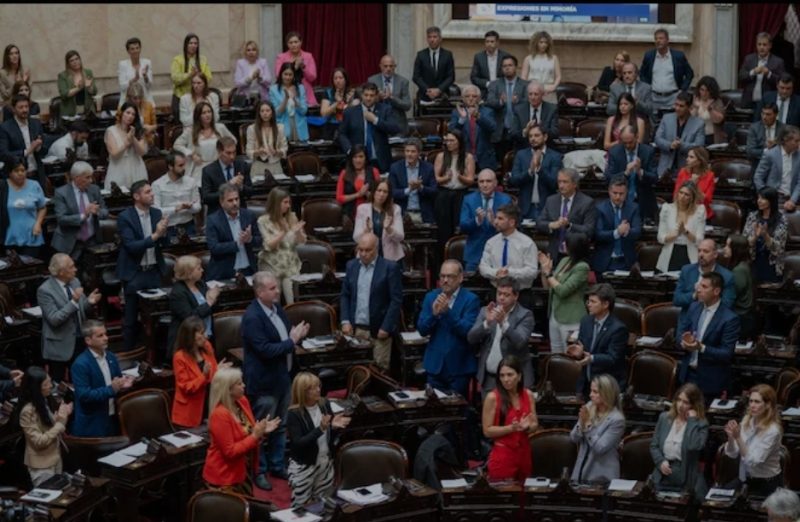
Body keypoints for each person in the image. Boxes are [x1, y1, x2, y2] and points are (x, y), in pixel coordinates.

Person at [241, 271, 310, 491]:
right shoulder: (252, 317)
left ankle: (277, 465)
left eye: (277, 287)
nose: (278, 291)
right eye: (272, 288)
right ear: (259, 292)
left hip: (282, 378)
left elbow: (286, 336)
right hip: (264, 383)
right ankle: (259, 470)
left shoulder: (277, 309)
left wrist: (295, 334)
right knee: (261, 429)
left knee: (280, 426)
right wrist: (292, 341)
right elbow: (265, 350)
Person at [203, 366, 280, 494]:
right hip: (224, 477)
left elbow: (249, 432)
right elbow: (230, 452)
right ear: (228, 389)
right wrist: (255, 435)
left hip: (243, 470)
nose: (244, 385)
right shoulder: (219, 414)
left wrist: (262, 431)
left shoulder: (242, 402)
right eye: (239, 383)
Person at [116, 180, 169, 350]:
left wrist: (164, 233)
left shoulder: (157, 213)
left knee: (158, 315)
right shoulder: (125, 217)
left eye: (151, 191)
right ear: (136, 196)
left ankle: (156, 353)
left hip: (154, 271)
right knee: (131, 318)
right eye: (147, 192)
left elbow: (165, 244)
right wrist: (156, 235)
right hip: (134, 273)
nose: (152, 194)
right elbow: (131, 246)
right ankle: (129, 353)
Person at [286, 372, 351, 508]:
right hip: (304, 466)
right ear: (302, 391)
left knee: (323, 504)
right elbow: (298, 443)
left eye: (318, 386)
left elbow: (329, 433)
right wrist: (320, 429)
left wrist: (333, 427)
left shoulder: (324, 403)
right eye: (312, 388)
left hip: (324, 463)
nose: (318, 390)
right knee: (300, 507)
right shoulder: (294, 413)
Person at [418, 260, 481, 397]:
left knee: (457, 408)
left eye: (450, 276)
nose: (445, 280)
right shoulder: (431, 297)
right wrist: (434, 315)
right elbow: (422, 330)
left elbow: (467, 331)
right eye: (442, 276)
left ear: (460, 278)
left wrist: (448, 312)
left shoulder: (471, 300)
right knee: (433, 406)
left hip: (459, 367)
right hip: (435, 366)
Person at [340, 233, 403, 371]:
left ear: (377, 248)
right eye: (360, 250)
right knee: (357, 371)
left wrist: (386, 327)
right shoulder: (351, 266)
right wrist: (345, 321)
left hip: (379, 331)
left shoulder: (390, 268)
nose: (363, 254)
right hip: (356, 331)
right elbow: (345, 295)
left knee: (379, 371)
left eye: (368, 250)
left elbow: (396, 300)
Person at [38, 253, 101, 383]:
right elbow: (54, 319)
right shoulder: (45, 290)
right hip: (59, 345)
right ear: (61, 272)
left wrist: (89, 302)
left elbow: (81, 308)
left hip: (79, 340)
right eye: (71, 267)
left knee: (81, 380)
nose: (75, 269)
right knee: (58, 384)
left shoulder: (75, 281)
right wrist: (73, 302)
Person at [677, 272, 740, 400]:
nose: (698, 290)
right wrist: (684, 342)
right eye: (699, 285)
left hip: (711, 381)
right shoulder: (693, 307)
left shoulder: (729, 318)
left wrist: (701, 348)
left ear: (716, 291)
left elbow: (726, 353)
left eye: (704, 287)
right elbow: (680, 333)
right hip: (687, 375)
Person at [468, 280, 535, 392]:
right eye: (499, 293)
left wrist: (503, 324)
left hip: (515, 380)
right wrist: (487, 323)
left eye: (506, 295)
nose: (501, 298)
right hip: (490, 379)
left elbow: (520, 342)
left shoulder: (525, 315)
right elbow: (471, 338)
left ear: (516, 296)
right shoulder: (486, 311)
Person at [70, 321, 133, 437]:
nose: (106, 338)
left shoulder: (111, 357)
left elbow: (117, 382)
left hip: (114, 417)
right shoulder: (80, 364)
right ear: (88, 340)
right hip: (93, 424)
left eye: (105, 334)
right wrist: (111, 389)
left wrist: (123, 384)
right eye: (100, 336)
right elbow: (84, 395)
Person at [481, 356, 538, 482]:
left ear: (519, 376)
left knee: (524, 491)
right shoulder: (492, 397)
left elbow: (534, 424)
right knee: (504, 492)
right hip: (503, 454)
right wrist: (511, 428)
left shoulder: (528, 395)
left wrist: (527, 427)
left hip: (524, 453)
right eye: (502, 376)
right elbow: (487, 431)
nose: (505, 379)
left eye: (510, 375)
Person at [567, 284, 628, 397]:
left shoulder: (618, 328)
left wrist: (592, 358)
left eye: (593, 302)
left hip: (607, 386)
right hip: (586, 384)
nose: (588, 304)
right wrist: (579, 352)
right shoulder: (586, 321)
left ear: (605, 304)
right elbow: (583, 348)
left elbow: (613, 358)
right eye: (588, 301)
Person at [649, 383, 709, 498]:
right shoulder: (664, 418)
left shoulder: (701, 424)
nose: (680, 405)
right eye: (679, 400)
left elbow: (693, 446)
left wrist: (692, 421)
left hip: (686, 478)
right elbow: (654, 446)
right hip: (662, 475)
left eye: (686, 402)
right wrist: (660, 462)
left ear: (694, 405)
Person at [724, 384, 783, 497]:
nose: (752, 405)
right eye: (751, 401)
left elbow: (753, 461)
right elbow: (732, 453)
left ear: (768, 405)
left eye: (757, 402)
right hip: (745, 479)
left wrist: (738, 438)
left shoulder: (773, 431)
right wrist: (731, 438)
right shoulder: (747, 420)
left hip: (766, 483)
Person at [18, 366, 72, 486]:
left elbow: (51, 428)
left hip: (55, 458)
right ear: (36, 388)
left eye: (50, 382)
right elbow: (39, 441)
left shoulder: (44, 401)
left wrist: (61, 418)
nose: (51, 386)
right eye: (46, 384)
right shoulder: (28, 411)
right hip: (41, 465)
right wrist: (59, 424)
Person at [172, 316, 229, 428]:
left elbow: (212, 373)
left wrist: (218, 369)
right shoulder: (179, 357)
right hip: (189, 413)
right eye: (201, 333)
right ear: (190, 336)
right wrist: (204, 376)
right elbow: (186, 387)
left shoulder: (207, 346)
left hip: (209, 405)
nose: (206, 336)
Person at [539, 232, 591, 354]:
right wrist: (544, 270)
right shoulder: (564, 260)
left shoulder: (582, 267)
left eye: (566, 243)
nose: (563, 244)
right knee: (556, 355)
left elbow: (563, 291)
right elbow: (548, 287)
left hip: (571, 318)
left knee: (569, 356)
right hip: (555, 315)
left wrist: (549, 274)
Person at [570, 374, 626, 484]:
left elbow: (600, 448)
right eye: (591, 391)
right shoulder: (589, 407)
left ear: (607, 394)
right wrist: (581, 423)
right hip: (581, 473)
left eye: (595, 392)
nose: (590, 395)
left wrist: (587, 425)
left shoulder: (617, 420)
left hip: (602, 477)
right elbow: (573, 438)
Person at [337, 82, 400, 174]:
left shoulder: (385, 109)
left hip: (380, 160)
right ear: (361, 95)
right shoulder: (350, 112)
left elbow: (394, 128)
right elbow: (342, 134)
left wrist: (376, 120)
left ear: (376, 96)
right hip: (357, 160)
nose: (368, 98)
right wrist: (350, 150)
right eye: (366, 95)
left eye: (371, 95)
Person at [257, 187, 306, 304]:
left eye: (289, 202)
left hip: (290, 265)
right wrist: (284, 231)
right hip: (271, 265)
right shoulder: (263, 221)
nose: (288, 206)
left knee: (292, 301)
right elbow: (269, 245)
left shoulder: (292, 217)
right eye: (285, 202)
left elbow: (302, 242)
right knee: (274, 301)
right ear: (276, 203)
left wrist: (298, 232)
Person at [673, 239, 736, 329]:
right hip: (687, 325)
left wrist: (708, 297)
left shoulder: (727, 276)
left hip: (713, 325)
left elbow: (727, 304)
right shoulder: (687, 271)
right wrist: (695, 295)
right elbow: (677, 299)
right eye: (699, 251)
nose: (701, 255)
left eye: (706, 251)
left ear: (715, 254)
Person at [535, 168, 596, 261]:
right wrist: (551, 225)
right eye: (559, 182)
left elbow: (589, 230)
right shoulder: (551, 200)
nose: (561, 186)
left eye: (565, 182)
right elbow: (539, 222)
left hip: (576, 255)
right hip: (555, 254)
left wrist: (569, 225)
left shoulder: (587, 202)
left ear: (575, 184)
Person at [52, 161, 107, 260]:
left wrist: (97, 212)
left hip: (92, 241)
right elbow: (61, 219)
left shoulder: (94, 190)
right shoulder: (61, 193)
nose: (91, 180)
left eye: (91, 177)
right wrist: (84, 215)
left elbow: (105, 211)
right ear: (76, 178)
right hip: (69, 242)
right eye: (87, 177)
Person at [460, 169, 511, 272]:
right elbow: (463, 226)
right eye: (481, 181)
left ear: (495, 183)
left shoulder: (505, 200)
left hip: (499, 253)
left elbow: (511, 227)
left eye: (488, 181)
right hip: (474, 254)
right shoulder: (469, 199)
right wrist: (476, 221)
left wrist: (495, 223)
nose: (485, 185)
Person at [206, 183, 261, 281]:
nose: (235, 203)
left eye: (237, 199)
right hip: (224, 273)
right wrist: (237, 243)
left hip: (248, 270)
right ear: (221, 202)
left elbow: (259, 240)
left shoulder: (248, 215)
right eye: (230, 200)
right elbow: (214, 247)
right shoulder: (213, 220)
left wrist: (250, 239)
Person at [168, 255, 219, 358]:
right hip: (189, 341)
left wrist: (213, 299)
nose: (202, 270)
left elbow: (211, 307)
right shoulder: (178, 293)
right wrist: (209, 302)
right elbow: (190, 318)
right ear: (189, 273)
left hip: (207, 334)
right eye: (199, 268)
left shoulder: (200, 284)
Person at [478, 204, 539, 290]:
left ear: (511, 222)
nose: (495, 222)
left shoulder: (527, 243)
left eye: (500, 219)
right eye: (496, 218)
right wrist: (496, 273)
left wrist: (509, 273)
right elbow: (483, 267)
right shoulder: (491, 242)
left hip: (520, 292)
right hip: (496, 291)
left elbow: (532, 271)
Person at [434, 130, 476, 253]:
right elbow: (436, 179)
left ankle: (459, 255)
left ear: (459, 142)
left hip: (461, 195)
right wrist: (446, 178)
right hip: (444, 194)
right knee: (443, 229)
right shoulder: (441, 156)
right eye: (447, 141)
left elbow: (470, 180)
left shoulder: (468, 157)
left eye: (452, 140)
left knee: (459, 227)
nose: (449, 143)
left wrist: (460, 177)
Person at [605, 125, 658, 222]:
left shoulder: (648, 151)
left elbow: (655, 178)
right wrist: (625, 173)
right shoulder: (614, 152)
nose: (628, 146)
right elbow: (609, 178)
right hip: (621, 201)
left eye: (630, 142)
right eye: (624, 143)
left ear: (637, 137)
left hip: (643, 201)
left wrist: (640, 171)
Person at [173, 101, 235, 182]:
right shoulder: (191, 131)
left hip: (218, 166)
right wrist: (191, 154)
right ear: (198, 116)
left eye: (209, 112)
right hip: (199, 168)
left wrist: (224, 152)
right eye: (204, 113)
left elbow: (233, 141)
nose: (207, 115)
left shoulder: (220, 127)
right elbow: (177, 145)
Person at [509, 124, 560, 221]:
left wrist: (539, 169)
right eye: (530, 136)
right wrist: (530, 171)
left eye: (536, 135)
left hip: (547, 207)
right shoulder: (521, 155)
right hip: (526, 208)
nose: (533, 139)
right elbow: (514, 180)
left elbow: (555, 183)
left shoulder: (555, 156)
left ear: (545, 137)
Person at [592, 176, 641, 274]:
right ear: (609, 191)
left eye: (621, 194)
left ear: (626, 192)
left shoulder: (634, 208)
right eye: (615, 193)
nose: (618, 197)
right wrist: (617, 232)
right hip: (605, 261)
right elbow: (598, 234)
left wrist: (627, 231)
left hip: (626, 261)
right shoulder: (600, 208)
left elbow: (637, 231)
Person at [485, 54, 529, 161]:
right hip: (501, 130)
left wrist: (518, 102)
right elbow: (489, 101)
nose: (507, 68)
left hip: (519, 128)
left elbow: (530, 102)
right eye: (504, 66)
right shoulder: (494, 84)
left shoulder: (526, 85)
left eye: (510, 65)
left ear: (516, 67)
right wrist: (500, 102)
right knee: (501, 160)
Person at [656, 181, 706, 274]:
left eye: (686, 194)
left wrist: (685, 232)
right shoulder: (667, 209)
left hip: (690, 255)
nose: (682, 197)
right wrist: (675, 235)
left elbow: (699, 240)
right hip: (670, 254)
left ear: (692, 198)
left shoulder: (699, 211)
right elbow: (660, 238)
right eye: (681, 193)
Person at [639, 28, 694, 112]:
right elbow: (642, 73)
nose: (658, 41)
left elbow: (689, 74)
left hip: (673, 98)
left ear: (667, 40)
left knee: (672, 119)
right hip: (654, 98)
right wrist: (648, 88)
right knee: (654, 119)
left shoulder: (678, 56)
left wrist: (682, 90)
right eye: (656, 39)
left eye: (661, 38)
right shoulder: (649, 56)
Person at [0, 94, 47, 190]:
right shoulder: (5, 128)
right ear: (13, 109)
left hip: (37, 174)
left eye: (26, 106)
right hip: (17, 177)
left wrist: (39, 148)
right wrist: (27, 151)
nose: (25, 110)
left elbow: (45, 150)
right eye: (21, 107)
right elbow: (3, 154)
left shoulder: (36, 124)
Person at [1, 159, 46, 258]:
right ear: (9, 172)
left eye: (23, 170)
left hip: (31, 235)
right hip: (8, 236)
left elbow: (42, 208)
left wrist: (38, 223)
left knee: (31, 265)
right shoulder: (2, 186)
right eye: (16, 171)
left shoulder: (34, 185)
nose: (20, 173)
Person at [654, 92, 705, 178]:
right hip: (665, 167)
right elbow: (657, 139)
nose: (677, 108)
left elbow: (699, 146)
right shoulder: (666, 118)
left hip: (687, 168)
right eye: (676, 105)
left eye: (681, 106)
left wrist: (681, 145)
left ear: (689, 107)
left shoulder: (699, 124)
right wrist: (670, 145)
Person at [744, 187, 789, 284]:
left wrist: (765, 235)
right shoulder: (752, 216)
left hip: (772, 263)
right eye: (758, 198)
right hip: (753, 260)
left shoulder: (782, 219)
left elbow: (778, 249)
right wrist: (755, 237)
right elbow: (745, 242)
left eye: (763, 198)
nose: (759, 201)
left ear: (771, 201)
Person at [354, 180, 404, 264]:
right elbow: (356, 238)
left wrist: (389, 229)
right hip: (368, 257)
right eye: (379, 190)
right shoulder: (362, 209)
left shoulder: (395, 209)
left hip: (391, 257)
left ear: (388, 194)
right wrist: (366, 230)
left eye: (385, 192)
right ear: (373, 191)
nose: (381, 194)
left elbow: (400, 237)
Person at [152, 150, 201, 237]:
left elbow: (198, 207)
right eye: (180, 165)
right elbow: (156, 211)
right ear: (170, 166)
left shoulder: (191, 182)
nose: (184, 168)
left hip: (188, 225)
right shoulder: (157, 185)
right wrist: (175, 209)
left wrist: (190, 207)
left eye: (184, 164)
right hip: (168, 227)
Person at [388, 138, 437, 224]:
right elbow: (391, 192)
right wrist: (409, 189)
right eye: (407, 151)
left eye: (413, 151)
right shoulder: (395, 168)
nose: (409, 154)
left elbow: (434, 191)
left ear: (419, 153)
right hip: (402, 213)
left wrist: (421, 187)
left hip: (423, 214)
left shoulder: (428, 168)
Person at [448, 85, 497, 170]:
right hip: (464, 157)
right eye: (467, 96)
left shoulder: (487, 111)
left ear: (479, 98)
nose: (471, 99)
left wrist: (478, 116)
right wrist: (462, 119)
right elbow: (452, 132)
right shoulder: (456, 112)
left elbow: (492, 127)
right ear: (462, 98)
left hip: (484, 158)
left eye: (474, 96)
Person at [201, 136, 252, 215]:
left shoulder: (242, 165)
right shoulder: (208, 171)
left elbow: (250, 192)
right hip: (218, 214)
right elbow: (206, 198)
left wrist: (241, 187)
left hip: (239, 212)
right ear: (219, 152)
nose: (232, 156)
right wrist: (229, 185)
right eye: (228, 153)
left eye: (234, 152)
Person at [754, 125, 800, 211]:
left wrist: (792, 200)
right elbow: (758, 177)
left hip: (794, 198)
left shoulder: (798, 156)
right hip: (774, 198)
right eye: (796, 141)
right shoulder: (770, 154)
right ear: (786, 140)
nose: (799, 143)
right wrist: (765, 196)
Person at [104, 101, 148, 190]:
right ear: (122, 113)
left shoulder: (139, 131)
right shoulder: (111, 131)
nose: (130, 116)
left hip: (136, 168)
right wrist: (126, 144)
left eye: (133, 114)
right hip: (118, 169)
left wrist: (133, 138)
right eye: (128, 113)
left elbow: (142, 152)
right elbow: (114, 154)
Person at [170, 33, 212, 121]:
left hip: (199, 97)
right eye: (190, 43)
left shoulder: (203, 59)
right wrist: (190, 75)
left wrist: (199, 78)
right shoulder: (178, 60)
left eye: (195, 43)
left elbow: (208, 77)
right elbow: (175, 78)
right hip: (180, 97)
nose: (193, 45)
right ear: (186, 45)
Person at [368, 55, 412, 136]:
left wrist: (393, 98)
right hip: (378, 122)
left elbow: (407, 105)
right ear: (380, 66)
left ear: (395, 67)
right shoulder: (372, 80)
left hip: (398, 125)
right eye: (385, 66)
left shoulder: (403, 82)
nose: (388, 69)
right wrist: (378, 98)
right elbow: (367, 103)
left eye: (391, 66)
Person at [739, 32, 786, 109]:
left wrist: (769, 74)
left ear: (770, 46)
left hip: (768, 103)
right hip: (749, 101)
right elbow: (741, 76)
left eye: (764, 45)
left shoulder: (778, 62)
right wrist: (753, 72)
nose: (761, 47)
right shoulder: (749, 59)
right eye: (759, 44)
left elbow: (782, 82)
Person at [336, 145, 381, 220]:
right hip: (350, 214)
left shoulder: (374, 171)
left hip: (371, 214)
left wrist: (367, 194)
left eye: (361, 157)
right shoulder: (344, 173)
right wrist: (358, 194)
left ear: (365, 158)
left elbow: (380, 195)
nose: (358, 160)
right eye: (355, 157)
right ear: (351, 159)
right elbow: (339, 198)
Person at [723, 234, 754, 340]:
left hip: (740, 318)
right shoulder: (742, 265)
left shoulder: (739, 270)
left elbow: (730, 295)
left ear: (736, 249)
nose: (724, 249)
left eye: (728, 246)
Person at [274, 31, 318, 107]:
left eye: (296, 42)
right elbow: (278, 75)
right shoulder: (281, 57)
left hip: (306, 93)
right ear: (287, 44)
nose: (293, 45)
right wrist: (291, 65)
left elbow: (313, 77)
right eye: (290, 43)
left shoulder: (308, 56)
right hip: (286, 93)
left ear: (300, 42)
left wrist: (303, 67)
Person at [412, 26, 455, 102]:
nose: (432, 40)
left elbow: (451, 77)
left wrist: (439, 90)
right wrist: (428, 90)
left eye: (435, 37)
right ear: (427, 39)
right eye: (429, 37)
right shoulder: (421, 55)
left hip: (443, 96)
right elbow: (416, 77)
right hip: (425, 95)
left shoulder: (447, 55)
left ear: (440, 39)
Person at [246, 100, 288, 177]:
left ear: (272, 113)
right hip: (259, 166)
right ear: (259, 113)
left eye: (267, 110)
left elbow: (284, 148)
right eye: (262, 111)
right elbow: (248, 151)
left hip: (276, 166)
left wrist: (276, 152)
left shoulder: (280, 128)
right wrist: (258, 152)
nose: (265, 113)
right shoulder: (252, 129)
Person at [511, 81, 559, 147]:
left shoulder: (551, 109)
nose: (533, 97)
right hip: (524, 147)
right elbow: (513, 133)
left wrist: (542, 128)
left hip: (545, 147)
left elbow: (555, 133)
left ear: (542, 95)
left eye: (536, 94)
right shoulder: (519, 109)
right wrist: (525, 131)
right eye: (530, 94)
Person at [270, 62, 309, 143]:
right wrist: (286, 99)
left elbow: (304, 111)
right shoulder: (273, 89)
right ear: (281, 74)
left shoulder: (300, 88)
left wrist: (294, 99)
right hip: (282, 126)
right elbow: (276, 113)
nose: (288, 77)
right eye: (285, 74)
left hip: (299, 126)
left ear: (294, 75)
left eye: (290, 74)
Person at [673, 147, 715, 219]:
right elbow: (676, 195)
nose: (687, 159)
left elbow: (706, 201)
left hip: (701, 215)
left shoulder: (710, 176)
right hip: (683, 213)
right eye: (688, 156)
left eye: (691, 157)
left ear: (700, 160)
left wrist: (695, 185)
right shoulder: (683, 172)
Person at [520, 31, 561, 105]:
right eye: (541, 42)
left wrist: (554, 86)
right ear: (536, 43)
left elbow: (558, 76)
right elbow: (523, 78)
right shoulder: (528, 59)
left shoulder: (554, 58)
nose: (543, 45)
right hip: (533, 92)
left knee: (549, 111)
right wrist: (530, 89)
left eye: (546, 42)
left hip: (549, 91)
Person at [320, 67, 360, 140]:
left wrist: (349, 103)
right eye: (335, 78)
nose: (338, 81)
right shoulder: (328, 92)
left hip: (349, 126)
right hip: (332, 126)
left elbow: (356, 113)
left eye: (341, 78)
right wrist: (337, 102)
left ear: (346, 79)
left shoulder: (352, 92)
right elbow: (324, 113)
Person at [470, 30, 511, 99]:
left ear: (497, 43)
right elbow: (474, 77)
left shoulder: (505, 56)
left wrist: (499, 83)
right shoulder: (479, 57)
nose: (489, 44)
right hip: (485, 91)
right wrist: (488, 84)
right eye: (487, 41)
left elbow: (510, 75)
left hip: (502, 90)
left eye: (492, 42)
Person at [57, 50, 97, 119]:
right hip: (71, 113)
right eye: (71, 61)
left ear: (80, 60)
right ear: (68, 63)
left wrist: (89, 87)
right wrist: (79, 88)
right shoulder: (63, 76)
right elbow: (64, 94)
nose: (75, 62)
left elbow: (94, 92)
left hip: (88, 112)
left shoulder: (88, 72)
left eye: (77, 59)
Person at [117, 37, 153, 108]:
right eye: (132, 49)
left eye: (137, 48)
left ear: (140, 49)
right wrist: (134, 79)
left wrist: (145, 76)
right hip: (128, 103)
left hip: (145, 102)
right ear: (128, 51)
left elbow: (149, 86)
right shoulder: (123, 64)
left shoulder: (147, 63)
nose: (135, 51)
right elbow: (122, 86)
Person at [233, 40, 272, 106]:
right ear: (245, 52)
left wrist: (260, 77)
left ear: (257, 51)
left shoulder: (263, 62)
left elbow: (269, 81)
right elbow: (237, 83)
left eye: (254, 50)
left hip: (261, 98)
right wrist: (251, 78)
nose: (251, 52)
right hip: (245, 98)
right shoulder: (240, 63)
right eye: (248, 50)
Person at [691, 76, 727, 145]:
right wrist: (696, 108)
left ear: (712, 91)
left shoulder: (717, 102)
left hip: (712, 136)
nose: (704, 93)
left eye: (707, 91)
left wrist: (710, 109)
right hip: (697, 136)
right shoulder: (695, 100)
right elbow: (690, 119)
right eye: (702, 90)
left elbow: (718, 120)